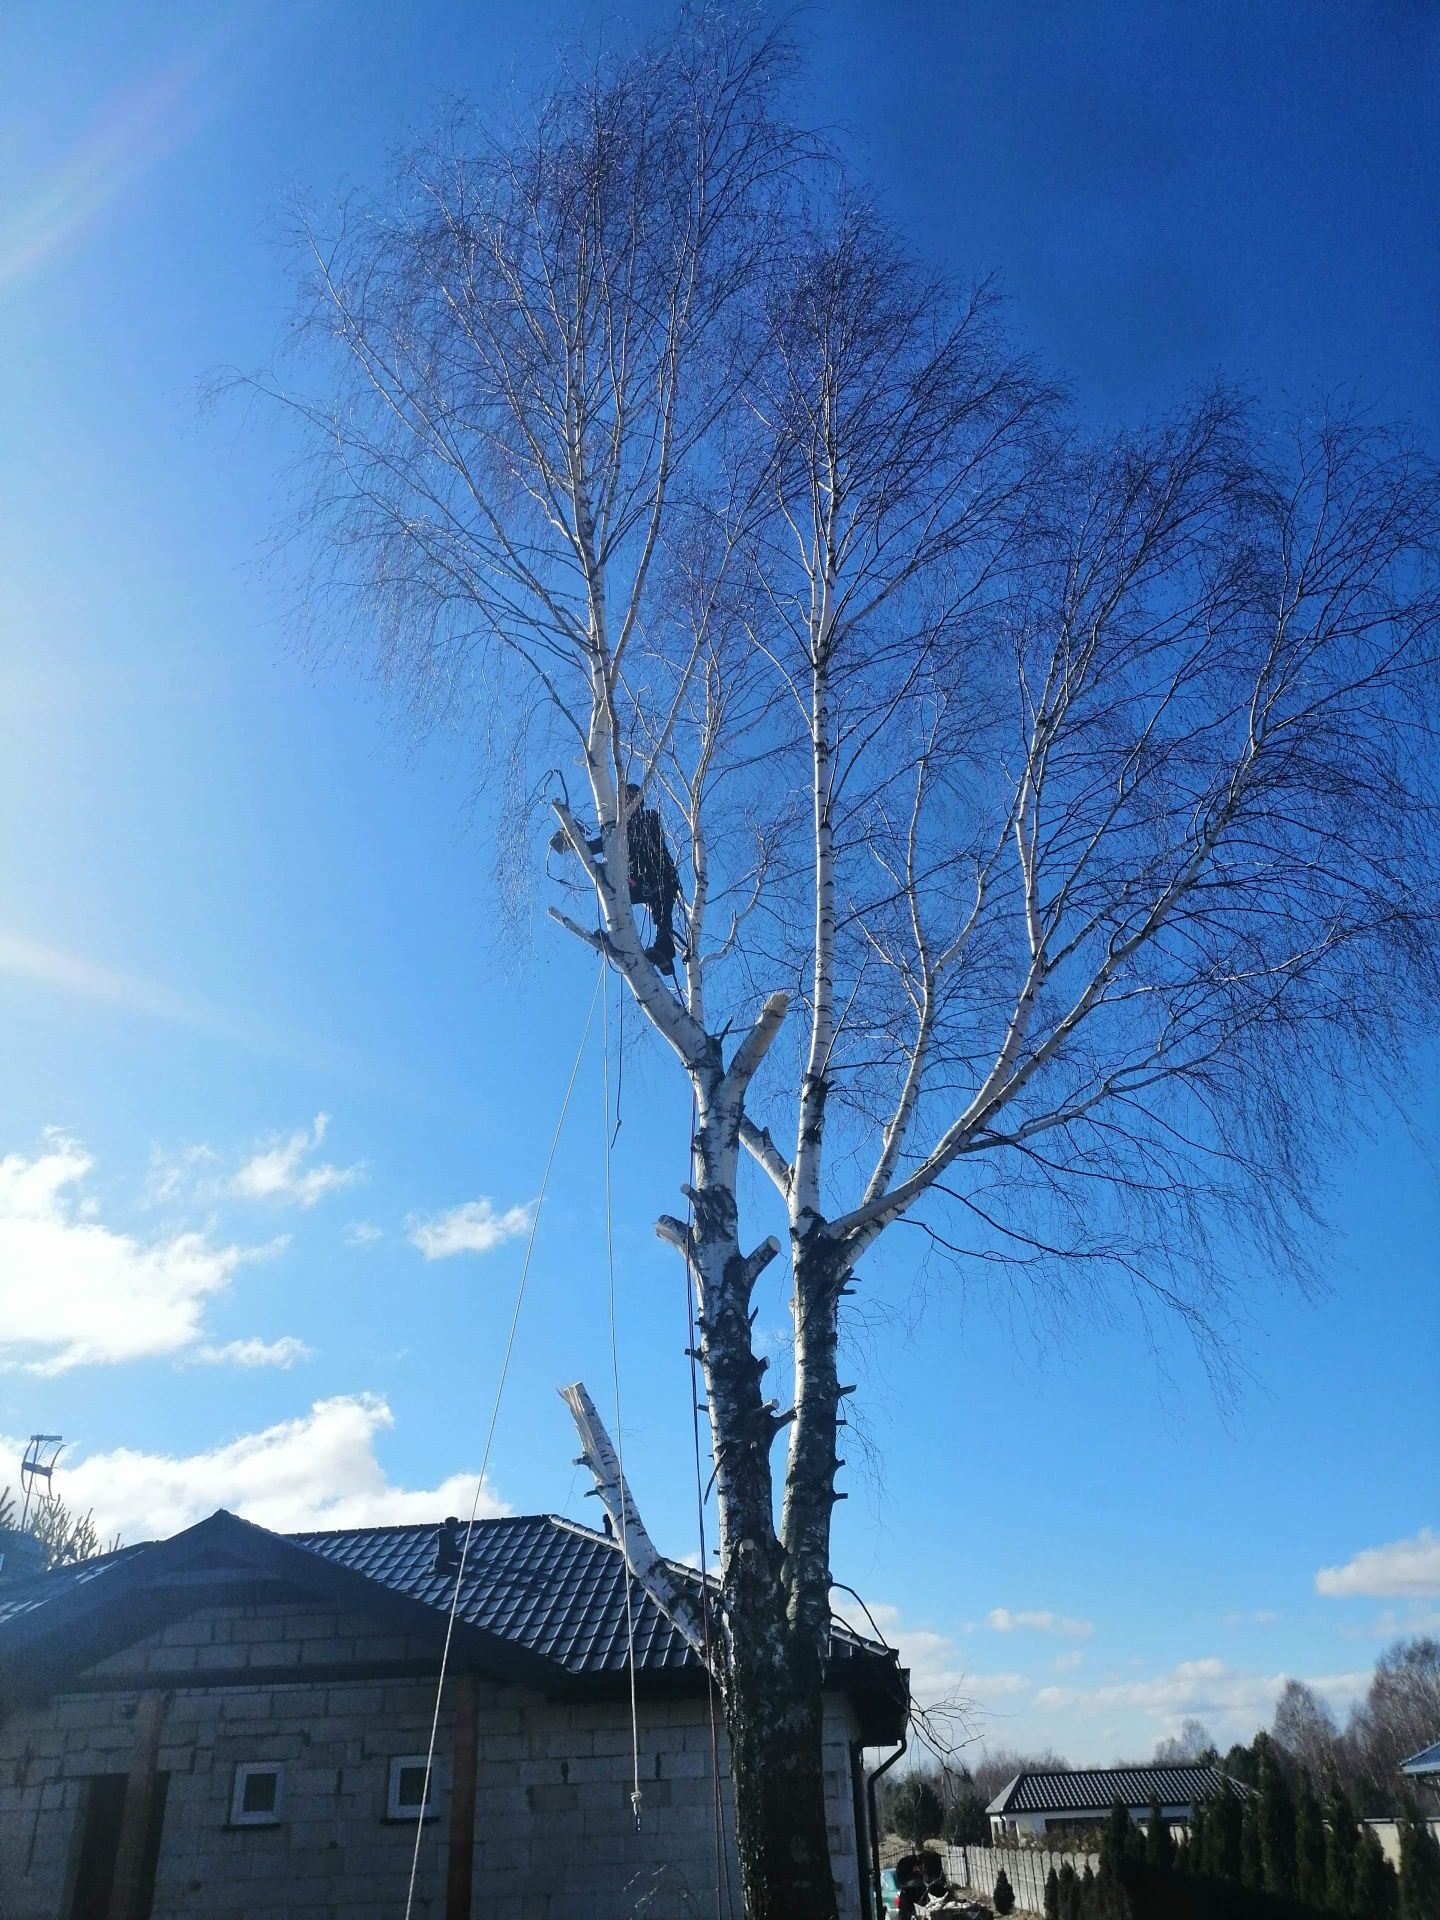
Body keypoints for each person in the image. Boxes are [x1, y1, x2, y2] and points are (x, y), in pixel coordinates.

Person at [548, 782, 683, 973]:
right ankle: (618, 936)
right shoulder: (619, 827)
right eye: (624, 797)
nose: (626, 800)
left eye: (630, 796)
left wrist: (612, 836)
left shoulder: (647, 818)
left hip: (659, 876)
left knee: (661, 913)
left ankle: (664, 954)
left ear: (638, 799)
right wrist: (574, 840)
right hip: (640, 879)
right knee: (614, 892)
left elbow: (632, 839)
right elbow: (602, 844)